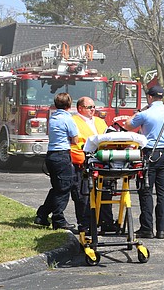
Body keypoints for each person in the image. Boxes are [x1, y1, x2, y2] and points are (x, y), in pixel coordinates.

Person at [124, 85, 164, 239]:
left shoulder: (145, 114)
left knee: (146, 191)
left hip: (149, 154)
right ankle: (161, 230)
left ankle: (147, 228)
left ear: (149, 97)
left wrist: (139, 112)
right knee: (162, 193)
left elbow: (127, 125)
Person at [70, 96, 117, 233]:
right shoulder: (74, 121)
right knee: (84, 196)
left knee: (105, 192)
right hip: (84, 161)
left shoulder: (99, 121)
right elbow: (75, 142)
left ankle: (106, 222)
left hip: (102, 161)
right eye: (89, 107)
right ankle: (86, 225)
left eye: (94, 107)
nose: (93, 110)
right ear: (80, 108)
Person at [35, 92, 78, 232]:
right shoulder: (68, 119)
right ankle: (58, 219)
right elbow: (75, 139)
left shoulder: (53, 118)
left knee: (57, 187)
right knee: (65, 187)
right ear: (69, 105)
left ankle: (42, 214)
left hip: (51, 155)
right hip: (62, 155)